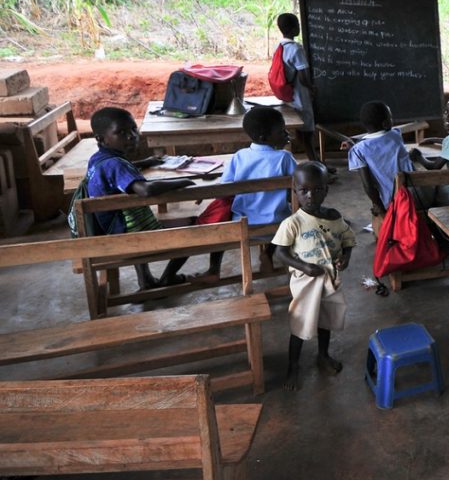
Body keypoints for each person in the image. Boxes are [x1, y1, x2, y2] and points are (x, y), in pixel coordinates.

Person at [84, 107, 197, 289]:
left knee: (136, 215)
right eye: (121, 132)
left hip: (112, 228)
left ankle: (146, 280)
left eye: (133, 129)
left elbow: (118, 172)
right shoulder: (115, 164)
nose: (131, 136)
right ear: (101, 139)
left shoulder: (100, 158)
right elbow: (146, 189)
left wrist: (146, 162)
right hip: (126, 235)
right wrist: (183, 181)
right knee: (196, 225)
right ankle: (168, 277)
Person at [190, 106, 297, 284]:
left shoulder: (239, 156)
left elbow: (224, 189)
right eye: (281, 131)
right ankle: (268, 253)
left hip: (241, 225)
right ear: (264, 137)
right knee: (292, 217)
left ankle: (213, 269)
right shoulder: (284, 157)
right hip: (277, 225)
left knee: (222, 219)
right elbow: (300, 184)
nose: (286, 133)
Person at [273, 162, 355, 391]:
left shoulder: (335, 217)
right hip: (305, 283)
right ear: (295, 190)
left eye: (318, 190)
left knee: (325, 320)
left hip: (329, 279)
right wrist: (304, 267)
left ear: (327, 188)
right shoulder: (292, 223)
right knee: (301, 322)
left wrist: (346, 257)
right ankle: (293, 365)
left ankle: (323, 356)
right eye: (304, 191)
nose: (311, 196)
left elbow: (348, 240)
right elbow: (280, 253)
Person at [347, 101, 413, 229]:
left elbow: (368, 186)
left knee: (375, 204)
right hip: (415, 193)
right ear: (385, 123)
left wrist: (382, 211)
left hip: (391, 202)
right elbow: (379, 142)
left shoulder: (358, 150)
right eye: (390, 117)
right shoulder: (396, 135)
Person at [275, 12, 324, 167]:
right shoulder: (296, 49)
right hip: (300, 95)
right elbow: (303, 77)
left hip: (288, 96)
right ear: (292, 28)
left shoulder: (280, 47)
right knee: (308, 133)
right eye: (297, 25)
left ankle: (316, 162)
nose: (299, 28)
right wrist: (312, 88)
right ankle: (316, 165)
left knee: (301, 132)